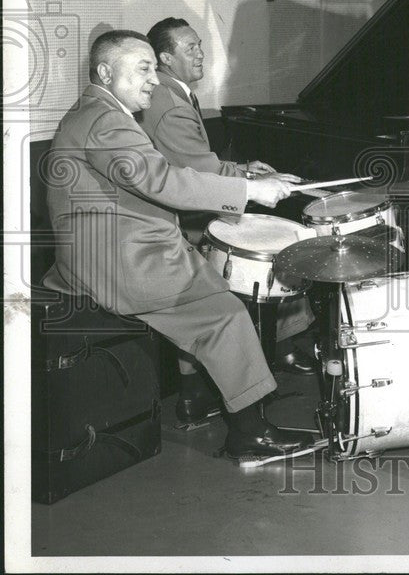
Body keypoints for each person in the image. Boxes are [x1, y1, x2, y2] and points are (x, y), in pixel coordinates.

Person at [43, 30, 312, 460]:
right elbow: (161, 180)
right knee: (226, 313)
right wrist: (248, 191)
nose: (154, 78)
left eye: (155, 67)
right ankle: (249, 432)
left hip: (99, 255)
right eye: (144, 69)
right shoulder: (106, 120)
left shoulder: (95, 111)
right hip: (119, 264)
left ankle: (201, 396)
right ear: (105, 72)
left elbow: (150, 176)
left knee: (207, 286)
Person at [137, 18, 316, 418]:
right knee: (269, 254)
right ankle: (202, 393)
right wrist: (252, 179)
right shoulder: (168, 103)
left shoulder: (173, 93)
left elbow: (198, 161)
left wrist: (243, 167)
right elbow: (196, 170)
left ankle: (275, 349)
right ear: (166, 58)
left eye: (200, 45)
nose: (200, 53)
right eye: (189, 48)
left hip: (189, 206)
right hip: (185, 222)